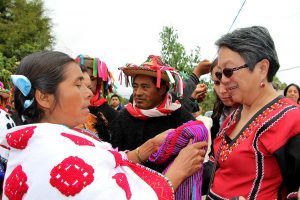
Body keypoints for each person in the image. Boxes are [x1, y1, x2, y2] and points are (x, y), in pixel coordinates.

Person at [0, 51, 207, 199]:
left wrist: (150, 146)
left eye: (87, 84)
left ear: (163, 90)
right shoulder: (56, 158)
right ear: (44, 98)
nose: (89, 92)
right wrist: (176, 173)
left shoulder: (51, 142)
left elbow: (107, 160)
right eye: (78, 84)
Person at [203, 26, 300, 199]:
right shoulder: (234, 116)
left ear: (262, 69)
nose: (223, 80)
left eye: (228, 71)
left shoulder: (292, 120)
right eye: (220, 74)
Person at [110, 55, 199, 172]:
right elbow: (114, 159)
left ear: (162, 89)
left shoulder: (181, 119)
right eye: (135, 87)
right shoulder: (123, 117)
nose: (138, 93)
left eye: (145, 87)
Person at [75, 55, 119, 141]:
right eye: (81, 78)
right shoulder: (62, 110)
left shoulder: (112, 114)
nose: (88, 83)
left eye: (92, 78)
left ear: (99, 81)